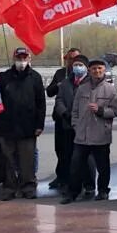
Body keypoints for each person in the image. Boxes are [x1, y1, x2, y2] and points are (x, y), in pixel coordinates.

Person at [63, 59, 117, 203]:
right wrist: (75, 125)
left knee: (103, 166)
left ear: (104, 70)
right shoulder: (82, 88)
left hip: (101, 134)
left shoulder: (110, 89)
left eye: (100, 68)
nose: (97, 71)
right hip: (82, 135)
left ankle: (102, 191)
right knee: (76, 165)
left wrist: (101, 111)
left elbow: (115, 111)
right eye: (94, 69)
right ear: (89, 70)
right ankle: (72, 193)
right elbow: (75, 110)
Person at [0, 47, 45, 200]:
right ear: (14, 58)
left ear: (29, 59)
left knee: (27, 160)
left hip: (28, 126)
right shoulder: (4, 77)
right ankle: (9, 188)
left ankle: (28, 187)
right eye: (19, 58)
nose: (21, 61)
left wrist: (39, 125)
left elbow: (41, 103)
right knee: (8, 160)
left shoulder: (35, 77)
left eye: (24, 58)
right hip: (7, 125)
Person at [46, 48, 82, 190]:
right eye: (70, 59)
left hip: (78, 119)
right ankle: (61, 175)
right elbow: (49, 92)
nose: (72, 62)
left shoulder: (83, 74)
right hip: (61, 117)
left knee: (75, 150)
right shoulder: (61, 73)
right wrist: (58, 85)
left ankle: (77, 178)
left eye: (76, 59)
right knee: (60, 149)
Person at [53, 54, 90, 194]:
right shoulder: (65, 82)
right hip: (67, 125)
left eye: (80, 65)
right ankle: (70, 184)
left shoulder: (89, 83)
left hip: (85, 125)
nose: (77, 67)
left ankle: (88, 185)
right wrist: (64, 113)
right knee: (68, 155)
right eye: (75, 65)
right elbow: (59, 100)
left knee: (86, 159)